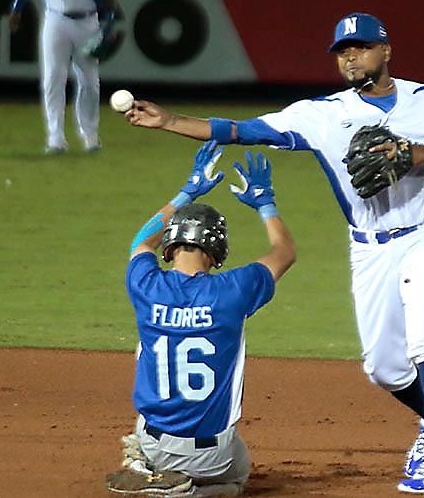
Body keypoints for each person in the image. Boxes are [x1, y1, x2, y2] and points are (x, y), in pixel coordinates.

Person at [122, 12, 424, 495]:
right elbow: (241, 130)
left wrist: (415, 153)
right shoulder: (321, 114)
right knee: (383, 367)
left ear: (386, 51)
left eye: (360, 47)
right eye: (342, 51)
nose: (350, 57)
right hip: (368, 246)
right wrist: (170, 120)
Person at [115, 141, 296, 496]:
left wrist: (188, 191)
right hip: (212, 456)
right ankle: (189, 494)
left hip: (155, 443)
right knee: (237, 477)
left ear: (169, 248)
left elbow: (141, 241)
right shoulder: (233, 291)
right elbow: (284, 252)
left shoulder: (146, 285)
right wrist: (265, 203)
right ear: (216, 254)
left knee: (146, 418)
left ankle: (146, 464)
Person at [9, 0, 118, 154]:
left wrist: (109, 22)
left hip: (87, 21)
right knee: (53, 78)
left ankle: (90, 134)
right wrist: (18, 6)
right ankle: (55, 138)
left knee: (89, 81)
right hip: (56, 19)